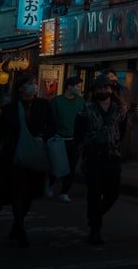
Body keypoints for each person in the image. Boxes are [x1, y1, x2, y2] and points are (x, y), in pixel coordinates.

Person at [0, 73, 56, 247]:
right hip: (14, 156)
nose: (33, 86)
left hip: (35, 156)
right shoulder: (10, 108)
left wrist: (44, 138)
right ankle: (21, 228)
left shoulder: (43, 105)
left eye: (34, 82)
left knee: (30, 193)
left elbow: (52, 127)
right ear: (20, 88)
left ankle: (17, 223)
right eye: (29, 83)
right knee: (18, 191)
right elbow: (0, 131)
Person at [75, 73, 128, 245]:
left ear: (112, 90)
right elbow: (79, 132)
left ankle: (95, 216)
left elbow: (123, 131)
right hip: (93, 157)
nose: (103, 90)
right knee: (94, 194)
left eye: (106, 87)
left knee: (113, 193)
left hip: (112, 156)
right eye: (100, 88)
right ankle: (95, 230)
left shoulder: (120, 109)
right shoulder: (86, 109)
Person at [48, 75, 85, 203]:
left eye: (80, 86)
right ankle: (49, 185)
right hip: (59, 138)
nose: (79, 89)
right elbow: (51, 119)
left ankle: (64, 192)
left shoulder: (81, 101)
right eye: (77, 86)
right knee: (55, 165)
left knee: (71, 166)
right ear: (69, 86)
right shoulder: (57, 101)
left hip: (74, 139)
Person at [107, 69, 138, 162]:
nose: (112, 79)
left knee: (124, 142)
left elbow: (129, 103)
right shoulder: (106, 91)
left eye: (113, 76)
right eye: (109, 77)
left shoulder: (124, 89)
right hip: (111, 122)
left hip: (124, 121)